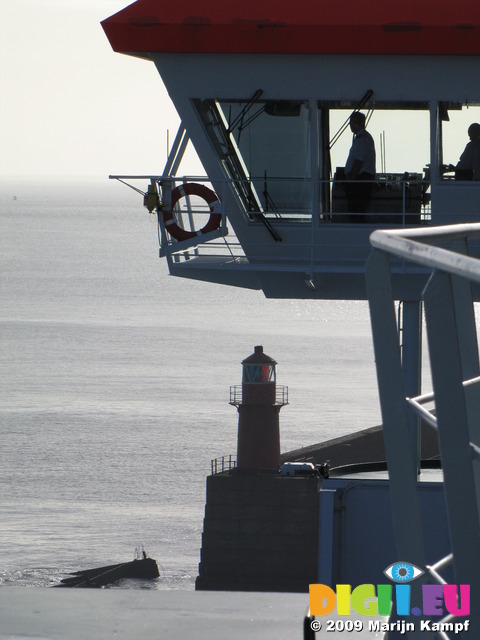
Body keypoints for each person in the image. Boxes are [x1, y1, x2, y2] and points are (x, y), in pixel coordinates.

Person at [344, 111, 376, 222]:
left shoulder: (362, 139)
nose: (350, 125)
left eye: (351, 123)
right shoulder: (364, 138)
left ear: (356, 123)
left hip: (360, 180)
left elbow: (358, 161)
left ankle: (356, 223)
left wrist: (350, 180)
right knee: (358, 208)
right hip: (362, 179)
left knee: (357, 209)